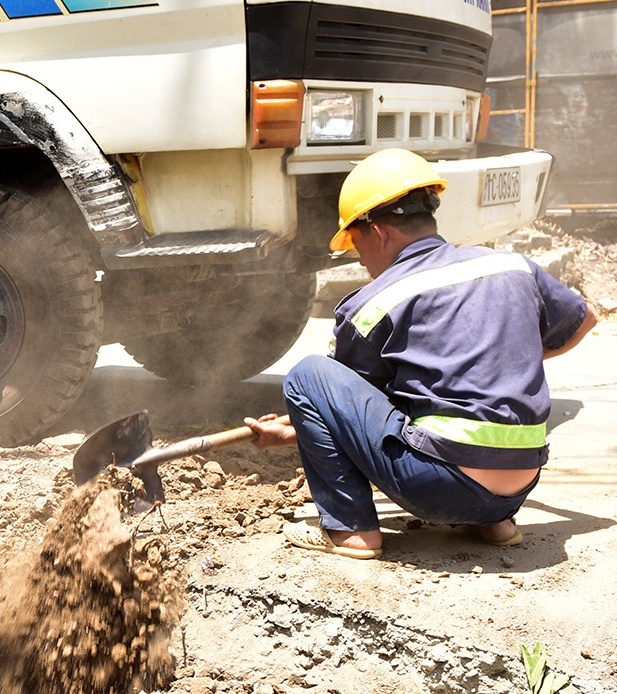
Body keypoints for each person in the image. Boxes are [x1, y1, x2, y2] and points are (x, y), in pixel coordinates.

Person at [243, 149, 598, 560]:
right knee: (447, 408)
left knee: (308, 374)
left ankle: (351, 531)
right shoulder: (511, 265)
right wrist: (510, 356)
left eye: (356, 245)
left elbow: (358, 403)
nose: (360, 259)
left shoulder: (373, 303)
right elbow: (584, 319)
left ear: (378, 233)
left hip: (438, 488)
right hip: (520, 486)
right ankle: (494, 523)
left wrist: (304, 421)